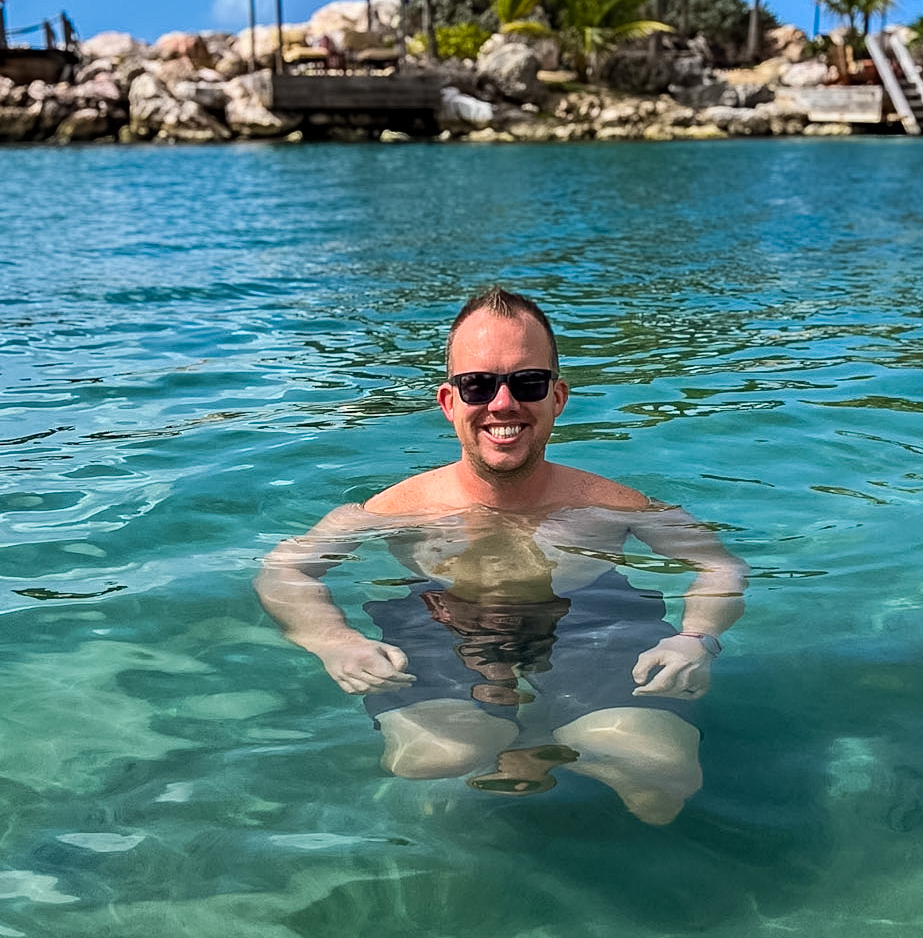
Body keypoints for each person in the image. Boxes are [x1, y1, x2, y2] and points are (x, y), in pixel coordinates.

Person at [255, 286, 746, 825]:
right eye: (478, 384)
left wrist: (695, 638)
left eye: (527, 382)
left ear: (557, 397)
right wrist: (334, 642)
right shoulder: (396, 508)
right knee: (431, 759)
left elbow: (718, 564)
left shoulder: (614, 505)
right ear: (450, 402)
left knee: (663, 776)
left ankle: (564, 749)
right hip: (442, 622)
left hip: (590, 618)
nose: (503, 404)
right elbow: (286, 568)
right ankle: (534, 742)